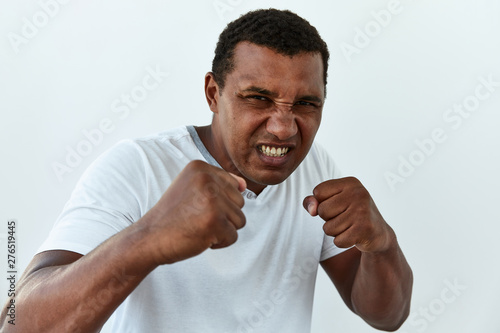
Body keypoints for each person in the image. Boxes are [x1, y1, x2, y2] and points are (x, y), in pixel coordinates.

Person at [1, 8, 412, 333]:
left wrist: (382, 242)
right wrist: (149, 238)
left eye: (306, 104)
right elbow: (15, 323)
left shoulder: (315, 168)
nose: (284, 128)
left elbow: (385, 316)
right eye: (258, 98)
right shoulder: (137, 167)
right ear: (214, 94)